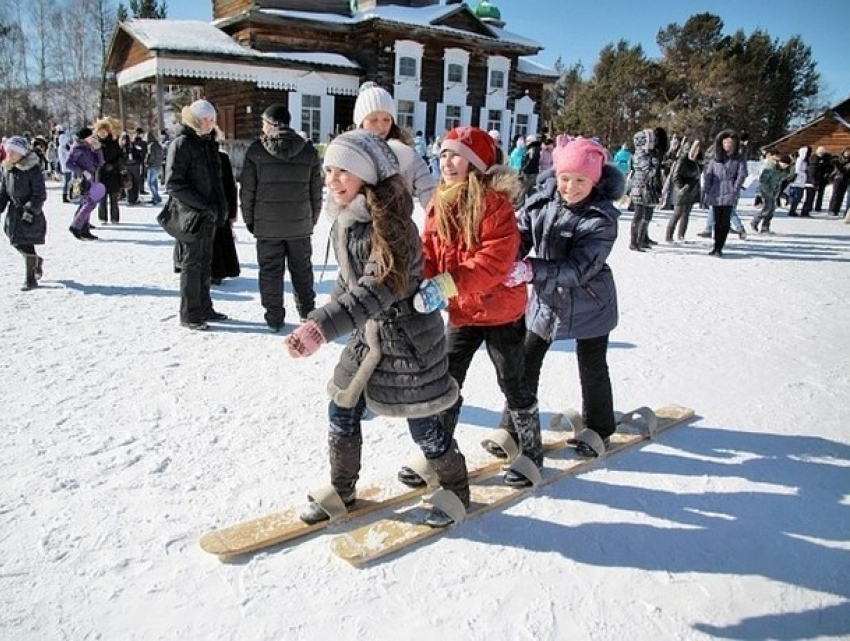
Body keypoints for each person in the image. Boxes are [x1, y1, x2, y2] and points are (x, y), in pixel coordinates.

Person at [283, 129, 468, 529]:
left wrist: (321, 329)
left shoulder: (393, 227)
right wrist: (321, 317)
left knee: (423, 422)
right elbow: (349, 284)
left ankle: (456, 488)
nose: (333, 180)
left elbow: (377, 288)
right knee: (342, 406)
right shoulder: (348, 220)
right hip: (367, 338)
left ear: (366, 176)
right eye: (329, 170)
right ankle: (342, 490)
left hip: (408, 342)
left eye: (343, 171)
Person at [401, 126, 542, 488]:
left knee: (512, 381)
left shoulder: (495, 204)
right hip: (463, 310)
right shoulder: (439, 201)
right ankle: (439, 454)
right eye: (444, 154)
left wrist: (446, 284)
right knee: (446, 381)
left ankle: (531, 452)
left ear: (477, 164)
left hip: (501, 311)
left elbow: (494, 262)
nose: (448, 162)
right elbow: (429, 251)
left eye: (458, 156)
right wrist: (421, 280)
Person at [504, 137, 622, 457]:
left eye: (581, 180)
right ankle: (513, 427)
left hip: (591, 302)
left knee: (592, 365)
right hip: (547, 299)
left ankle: (600, 427)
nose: (571, 187)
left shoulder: (602, 218)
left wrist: (530, 269)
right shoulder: (541, 203)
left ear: (595, 180)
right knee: (525, 361)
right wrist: (506, 260)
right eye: (565, 178)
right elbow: (520, 236)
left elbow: (578, 269)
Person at [240, 104, 322, 330]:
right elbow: (316, 192)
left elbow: (247, 191)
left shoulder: (256, 151)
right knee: (302, 270)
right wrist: (311, 220)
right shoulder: (308, 151)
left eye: (263, 123)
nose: (262, 128)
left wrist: (250, 220)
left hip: (267, 226)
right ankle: (307, 312)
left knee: (270, 272)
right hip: (299, 225)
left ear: (272, 123)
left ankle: (274, 318)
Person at [165, 99, 230, 331]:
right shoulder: (182, 144)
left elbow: (215, 181)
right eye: (205, 119)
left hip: (209, 215)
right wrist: (202, 206)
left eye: (212, 119)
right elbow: (174, 184)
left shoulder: (208, 144)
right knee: (191, 265)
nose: (209, 124)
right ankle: (190, 314)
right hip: (190, 215)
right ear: (194, 120)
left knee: (205, 263)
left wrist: (221, 208)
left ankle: (204, 307)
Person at [353, 82, 435, 209]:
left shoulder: (406, 155)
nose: (381, 126)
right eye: (373, 120)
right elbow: (335, 204)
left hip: (398, 221)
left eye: (387, 119)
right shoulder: (349, 154)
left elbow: (429, 192)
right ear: (361, 122)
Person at [0, 136, 47, 290]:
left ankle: (30, 279)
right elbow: (4, 192)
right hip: (14, 212)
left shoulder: (33, 169)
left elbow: (39, 194)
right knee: (14, 240)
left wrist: (31, 210)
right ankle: (36, 261)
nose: (10, 155)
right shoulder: (7, 169)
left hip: (30, 212)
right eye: (8, 151)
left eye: (14, 152)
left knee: (27, 243)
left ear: (22, 153)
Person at [703, 129, 748, 257]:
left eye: (730, 142)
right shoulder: (715, 159)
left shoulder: (739, 159)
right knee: (717, 221)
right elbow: (708, 175)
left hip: (729, 192)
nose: (728, 145)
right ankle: (716, 246)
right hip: (716, 192)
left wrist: (735, 188)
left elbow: (742, 174)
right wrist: (707, 190)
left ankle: (720, 247)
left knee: (725, 221)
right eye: (725, 142)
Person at [628, 127, 667, 250]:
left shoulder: (648, 154)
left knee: (647, 214)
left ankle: (642, 238)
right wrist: (655, 163)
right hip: (640, 188)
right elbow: (648, 170)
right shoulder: (640, 154)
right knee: (638, 215)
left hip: (648, 187)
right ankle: (634, 241)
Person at [65, 127, 106, 240]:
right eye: (90, 136)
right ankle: (76, 227)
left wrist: (98, 150)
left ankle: (83, 229)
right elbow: (68, 163)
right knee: (89, 203)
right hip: (81, 180)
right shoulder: (77, 148)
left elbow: (100, 163)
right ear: (85, 137)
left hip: (91, 179)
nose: (93, 138)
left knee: (86, 204)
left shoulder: (89, 147)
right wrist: (82, 171)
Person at [211, 133, 241, 285]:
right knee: (219, 239)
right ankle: (217, 272)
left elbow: (230, 186)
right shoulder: (222, 157)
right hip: (220, 205)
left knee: (216, 239)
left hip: (214, 205)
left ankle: (216, 272)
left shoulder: (221, 158)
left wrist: (232, 212)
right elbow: (231, 187)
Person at [665, 140, 702, 243]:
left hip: (691, 191)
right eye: (695, 149)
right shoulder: (682, 160)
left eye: (698, 150)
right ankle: (669, 236)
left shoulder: (696, 162)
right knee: (677, 213)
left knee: (686, 214)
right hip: (681, 191)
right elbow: (675, 176)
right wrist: (682, 187)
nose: (696, 152)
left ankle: (681, 235)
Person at [751, 152, 791, 234]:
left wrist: (777, 192)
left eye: (786, 165)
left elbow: (779, 182)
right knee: (767, 208)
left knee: (771, 210)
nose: (784, 166)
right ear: (780, 162)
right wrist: (767, 191)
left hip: (774, 192)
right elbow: (763, 180)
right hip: (765, 191)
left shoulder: (783, 171)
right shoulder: (771, 168)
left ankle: (765, 227)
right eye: (783, 164)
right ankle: (754, 222)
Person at [93, 118, 122, 225]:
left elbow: (120, 157)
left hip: (113, 173)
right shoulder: (95, 144)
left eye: (104, 131)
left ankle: (115, 217)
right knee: (102, 198)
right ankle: (102, 217)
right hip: (100, 174)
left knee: (114, 197)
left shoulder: (114, 143)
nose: (102, 133)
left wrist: (113, 165)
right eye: (100, 131)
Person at [787, 146, 810, 217]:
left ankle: (792, 210)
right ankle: (792, 210)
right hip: (798, 181)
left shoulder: (804, 160)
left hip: (801, 182)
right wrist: (804, 174)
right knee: (797, 197)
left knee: (798, 197)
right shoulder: (800, 160)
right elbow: (797, 170)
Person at [828, 148, 850, 216]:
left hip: (846, 179)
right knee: (835, 194)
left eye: (849, 152)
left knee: (841, 195)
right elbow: (837, 168)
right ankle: (832, 209)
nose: (847, 153)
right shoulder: (838, 159)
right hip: (838, 178)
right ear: (843, 152)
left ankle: (837, 209)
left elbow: (847, 171)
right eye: (846, 152)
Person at [145, 131, 164, 206]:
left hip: (152, 166)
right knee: (154, 182)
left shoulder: (151, 145)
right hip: (158, 166)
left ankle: (155, 197)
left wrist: (147, 162)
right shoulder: (158, 145)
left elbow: (150, 156)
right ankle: (156, 197)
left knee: (150, 183)